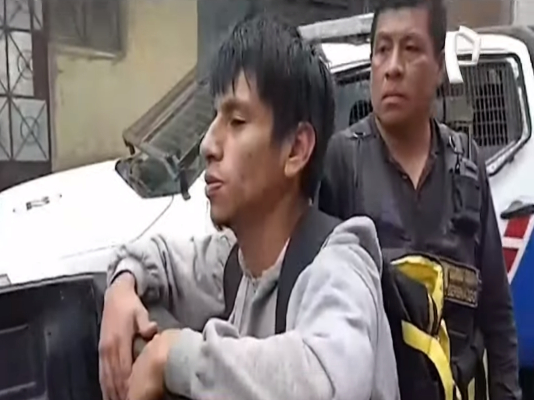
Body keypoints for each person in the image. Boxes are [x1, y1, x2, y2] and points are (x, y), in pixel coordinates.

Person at [98, 14, 399, 400]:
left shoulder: (340, 268)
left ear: (296, 149)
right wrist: (122, 287)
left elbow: (326, 377)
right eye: (215, 119)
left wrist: (173, 355)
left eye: (237, 121)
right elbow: (157, 258)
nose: (208, 145)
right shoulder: (234, 261)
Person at [318, 0, 521, 399]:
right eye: (382, 49)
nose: (392, 67)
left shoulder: (467, 163)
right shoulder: (339, 162)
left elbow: (496, 310)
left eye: (410, 49)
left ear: (439, 66)